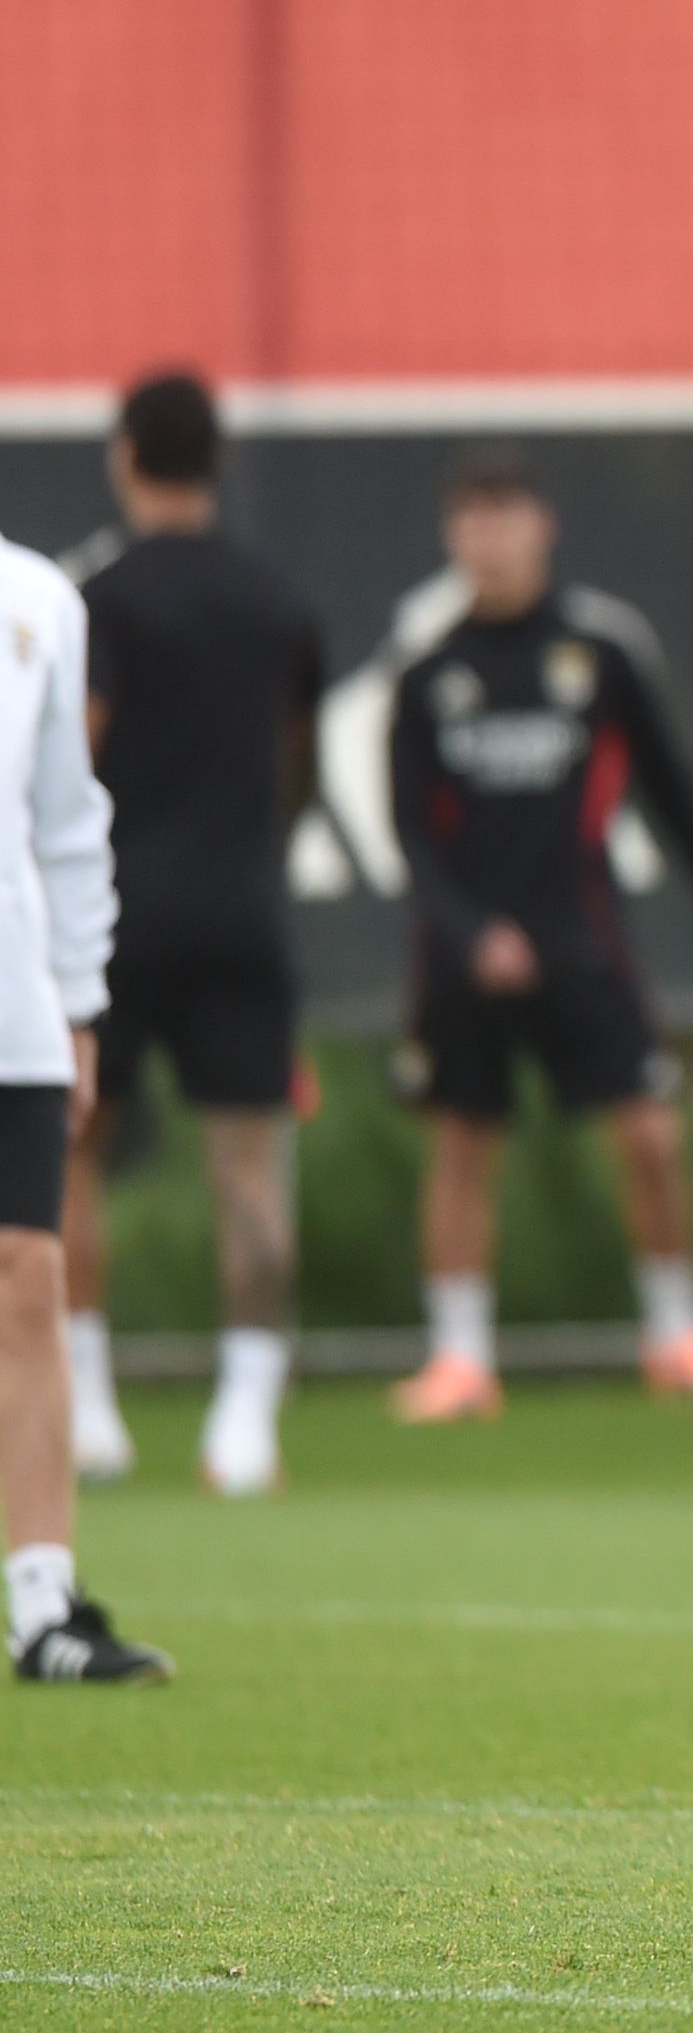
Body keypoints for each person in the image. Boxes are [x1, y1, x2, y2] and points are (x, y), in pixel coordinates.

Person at [384, 449, 693, 1424]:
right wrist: (471, 932)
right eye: (470, 520)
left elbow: (672, 794)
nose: (488, 539)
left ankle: (677, 1335)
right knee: (464, 1145)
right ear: (449, 537)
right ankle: (461, 1359)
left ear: (543, 526)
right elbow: (411, 835)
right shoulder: (428, 670)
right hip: (466, 955)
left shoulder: (599, 653)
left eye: (504, 516)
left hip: (583, 939)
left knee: (650, 1136)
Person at [58, 371, 322, 1498]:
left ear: (127, 456)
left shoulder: (98, 599)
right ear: (212, 459)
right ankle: (246, 1421)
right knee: (250, 1171)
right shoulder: (276, 596)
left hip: (116, 914)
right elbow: (296, 764)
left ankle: (89, 1408)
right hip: (241, 908)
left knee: (73, 1149)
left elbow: (70, 766)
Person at [4, 515, 160, 1682]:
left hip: (14, 1004)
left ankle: (43, 1607)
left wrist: (76, 995)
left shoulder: (38, 598)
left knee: (29, 1278)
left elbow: (65, 822)